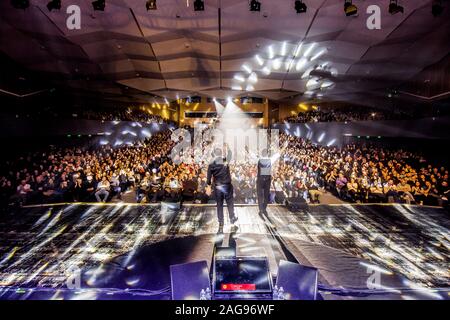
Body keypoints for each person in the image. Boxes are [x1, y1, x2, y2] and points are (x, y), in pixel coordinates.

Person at [207, 146, 237, 229]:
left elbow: (209, 176)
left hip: (218, 187)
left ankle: (221, 222)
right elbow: (230, 154)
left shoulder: (211, 163)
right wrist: (227, 147)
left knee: (219, 204)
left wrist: (208, 186)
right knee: (230, 203)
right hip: (227, 186)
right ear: (221, 154)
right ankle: (232, 218)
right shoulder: (225, 160)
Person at [257, 149, 273, 215]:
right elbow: (278, 154)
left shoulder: (259, 159)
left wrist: (247, 149)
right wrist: (284, 147)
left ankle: (261, 209)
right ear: (267, 153)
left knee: (260, 195)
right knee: (266, 195)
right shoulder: (270, 159)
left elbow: (250, 154)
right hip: (267, 180)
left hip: (260, 179)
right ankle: (264, 209)